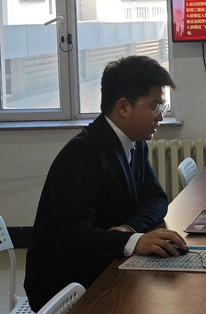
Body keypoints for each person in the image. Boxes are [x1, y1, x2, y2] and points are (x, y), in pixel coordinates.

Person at [24, 55, 187, 311]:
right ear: (123, 107)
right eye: (155, 107)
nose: (160, 117)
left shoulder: (136, 144)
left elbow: (156, 198)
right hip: (66, 284)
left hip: (104, 263)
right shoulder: (83, 154)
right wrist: (133, 241)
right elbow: (72, 236)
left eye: (162, 108)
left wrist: (129, 229)